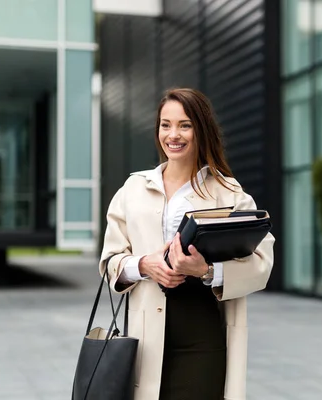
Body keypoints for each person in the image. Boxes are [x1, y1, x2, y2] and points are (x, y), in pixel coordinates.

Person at [99, 88, 275, 400]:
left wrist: (207, 271)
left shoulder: (229, 192)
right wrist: (143, 265)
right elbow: (111, 259)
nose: (173, 135)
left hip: (202, 331)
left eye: (185, 125)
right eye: (165, 125)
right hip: (144, 336)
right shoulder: (133, 189)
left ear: (201, 128)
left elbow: (262, 262)